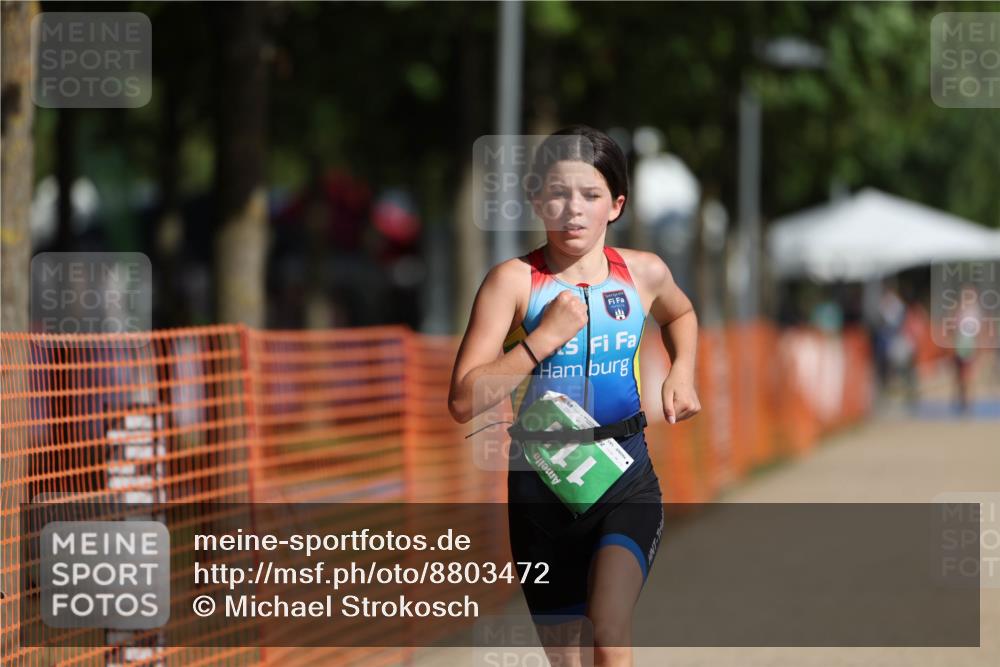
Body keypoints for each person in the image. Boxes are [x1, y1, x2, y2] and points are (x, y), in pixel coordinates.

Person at [448, 125, 701, 666]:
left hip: (625, 477)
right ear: (537, 198)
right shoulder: (512, 282)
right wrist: (540, 341)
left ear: (616, 205)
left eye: (590, 194)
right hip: (541, 491)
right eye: (558, 194)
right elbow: (464, 401)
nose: (573, 209)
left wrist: (682, 370)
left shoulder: (643, 273)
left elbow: (680, 313)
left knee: (607, 627)